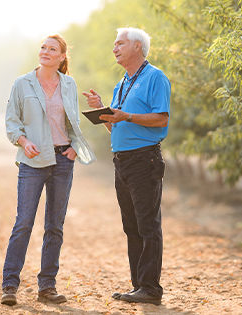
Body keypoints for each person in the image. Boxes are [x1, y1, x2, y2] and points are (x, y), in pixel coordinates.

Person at [1, 34, 96, 306]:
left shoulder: (69, 84)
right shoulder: (22, 83)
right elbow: (11, 122)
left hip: (62, 162)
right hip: (32, 162)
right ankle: (9, 285)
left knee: (55, 226)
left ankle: (47, 287)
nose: (45, 51)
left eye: (52, 49)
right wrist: (23, 140)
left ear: (62, 57)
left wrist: (75, 147)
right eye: (43, 47)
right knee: (24, 223)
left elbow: (73, 123)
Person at [83, 27, 170, 306]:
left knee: (148, 225)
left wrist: (127, 115)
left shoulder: (155, 77)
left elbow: (161, 119)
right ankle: (139, 286)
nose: (114, 48)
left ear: (137, 47)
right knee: (131, 226)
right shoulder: (122, 83)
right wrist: (102, 111)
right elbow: (115, 127)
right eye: (114, 44)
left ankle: (150, 288)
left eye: (120, 43)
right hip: (122, 161)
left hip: (145, 159)